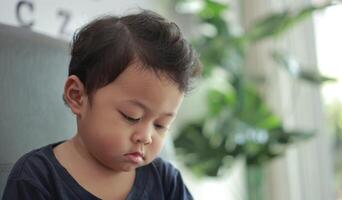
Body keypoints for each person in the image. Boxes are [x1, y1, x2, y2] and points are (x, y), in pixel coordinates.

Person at [2, 9, 201, 200]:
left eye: (160, 125)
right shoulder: (36, 178)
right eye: (132, 116)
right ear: (78, 96)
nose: (147, 137)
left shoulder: (165, 181)